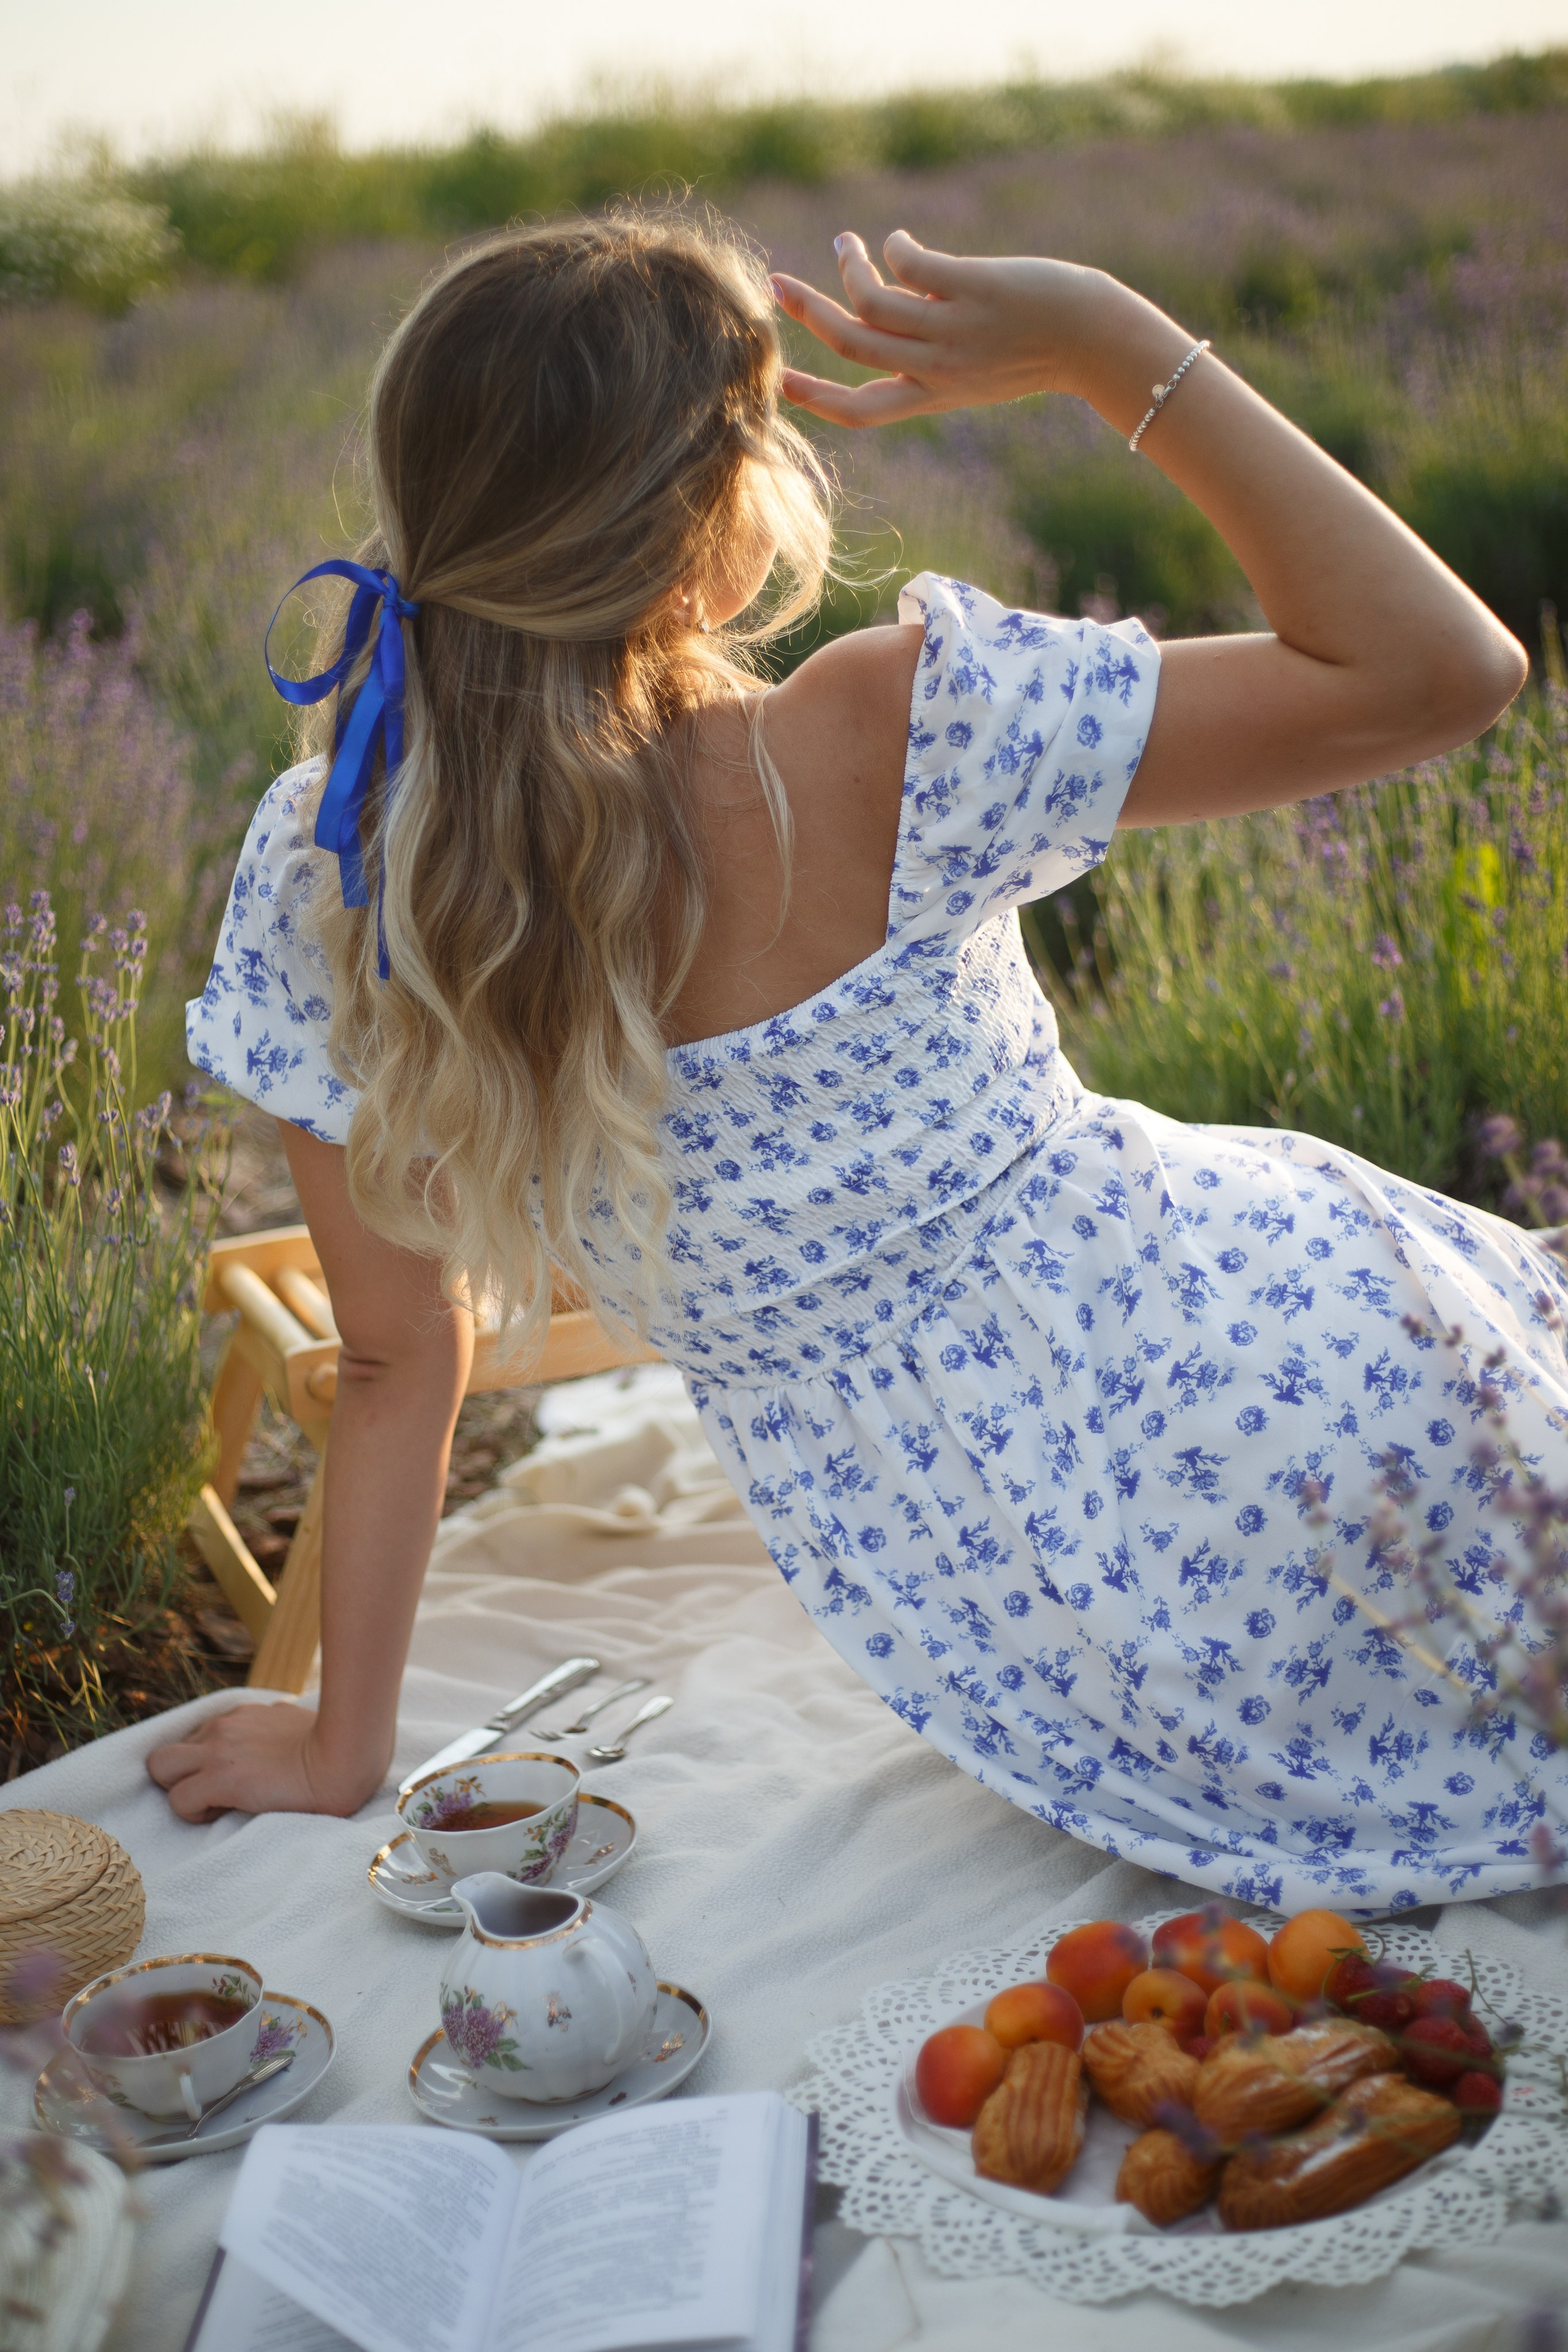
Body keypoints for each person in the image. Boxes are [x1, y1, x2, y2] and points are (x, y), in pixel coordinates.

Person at [153, 209, 1565, 1913]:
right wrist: (1106, 338)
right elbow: (1445, 669)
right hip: (1333, 1376)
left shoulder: (337, 864)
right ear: (716, 520)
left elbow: (392, 1360)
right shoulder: (879, 732)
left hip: (1055, 1643)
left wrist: (342, 1746)